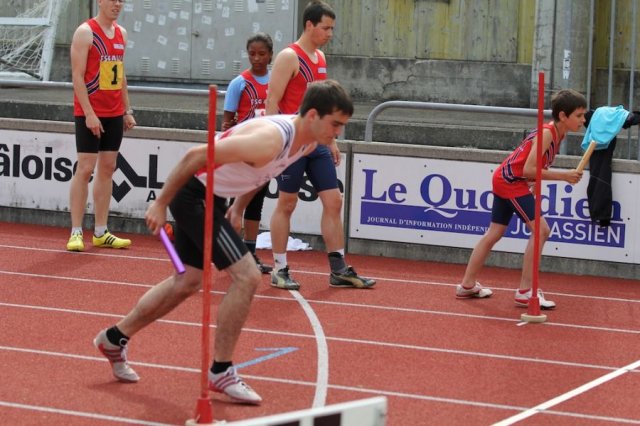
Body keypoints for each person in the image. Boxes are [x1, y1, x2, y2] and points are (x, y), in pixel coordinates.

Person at [93, 80, 354, 404]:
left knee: (188, 280)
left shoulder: (308, 144)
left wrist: (238, 208)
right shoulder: (270, 139)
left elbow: (262, 173)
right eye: (336, 124)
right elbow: (195, 156)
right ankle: (221, 370)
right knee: (247, 276)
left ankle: (113, 339)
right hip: (194, 195)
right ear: (313, 115)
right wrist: (160, 204)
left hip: (214, 197)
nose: (338, 133)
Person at [264, 0, 375, 291]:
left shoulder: (320, 57)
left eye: (332, 28)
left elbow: (325, 106)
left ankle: (339, 269)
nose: (330, 33)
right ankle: (279, 268)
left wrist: (332, 140)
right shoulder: (289, 57)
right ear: (309, 25)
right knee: (287, 203)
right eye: (325, 28)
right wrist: (276, 142)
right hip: (292, 143)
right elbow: (272, 101)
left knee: (334, 201)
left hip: (318, 145)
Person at [456, 89, 587, 309]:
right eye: (579, 115)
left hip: (507, 178)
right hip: (510, 181)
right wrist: (564, 176)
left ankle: (467, 285)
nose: (583, 120)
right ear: (563, 116)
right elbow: (528, 168)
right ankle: (526, 291)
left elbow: (532, 166)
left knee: (494, 233)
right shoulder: (548, 133)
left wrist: (534, 182)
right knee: (542, 230)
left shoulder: (559, 134)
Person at [66, 0, 135, 252]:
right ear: (100, 2)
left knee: (108, 168)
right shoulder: (85, 32)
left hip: (114, 112)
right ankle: (76, 231)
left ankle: (101, 231)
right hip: (90, 112)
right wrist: (89, 113)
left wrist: (127, 110)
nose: (117, 4)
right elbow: (77, 76)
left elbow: (120, 75)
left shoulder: (121, 33)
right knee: (85, 168)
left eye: (121, 0)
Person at [222, 32, 274, 274]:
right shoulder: (239, 83)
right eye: (252, 54)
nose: (257, 58)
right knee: (237, 202)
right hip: (244, 149)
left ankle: (250, 252)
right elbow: (227, 121)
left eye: (262, 54)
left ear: (271, 55)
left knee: (256, 203)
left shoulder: (277, 81)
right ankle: (232, 253)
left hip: (267, 150)